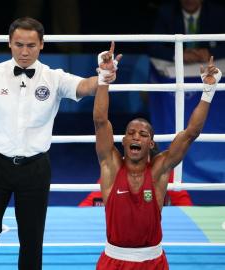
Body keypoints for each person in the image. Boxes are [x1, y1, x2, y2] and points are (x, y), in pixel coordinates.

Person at [0, 17, 117, 270]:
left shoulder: (53, 77)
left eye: (31, 45)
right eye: (19, 45)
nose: (24, 52)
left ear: (42, 45)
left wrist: (103, 73)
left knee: (31, 240)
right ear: (9, 43)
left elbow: (85, 86)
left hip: (35, 168)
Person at [93, 44, 221, 268]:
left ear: (150, 143)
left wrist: (208, 92)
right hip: (114, 260)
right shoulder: (111, 166)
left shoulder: (159, 170)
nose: (136, 137)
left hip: (153, 261)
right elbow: (100, 121)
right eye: (130, 133)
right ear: (123, 141)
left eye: (143, 134)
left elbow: (191, 133)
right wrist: (104, 78)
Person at [79, 145, 193, 207]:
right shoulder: (116, 171)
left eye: (141, 158)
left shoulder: (163, 172)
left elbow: (185, 206)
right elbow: (90, 204)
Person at [149, 0, 225, 63]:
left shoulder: (217, 13)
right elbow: (154, 47)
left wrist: (211, 53)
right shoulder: (166, 12)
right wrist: (179, 55)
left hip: (208, 67)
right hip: (176, 68)